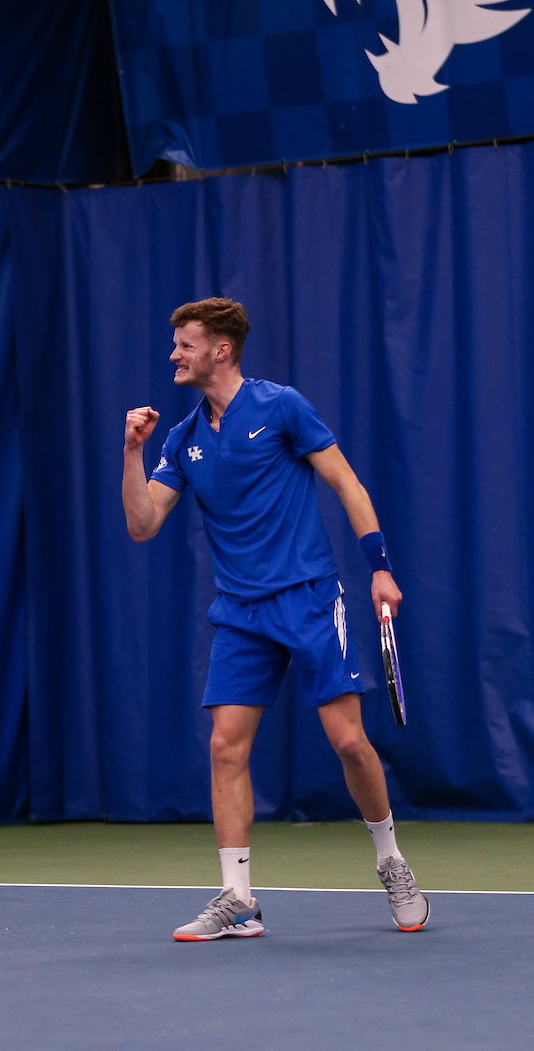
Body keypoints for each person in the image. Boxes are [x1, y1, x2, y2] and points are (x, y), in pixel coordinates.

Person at [122, 297, 429, 941]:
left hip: (312, 597)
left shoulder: (282, 406)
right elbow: (143, 524)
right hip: (241, 613)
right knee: (225, 747)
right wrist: (132, 452)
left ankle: (390, 859)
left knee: (349, 741)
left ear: (221, 350)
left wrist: (379, 566)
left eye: (185, 344)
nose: (173, 354)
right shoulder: (182, 439)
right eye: (174, 344)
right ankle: (238, 899)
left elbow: (347, 483)